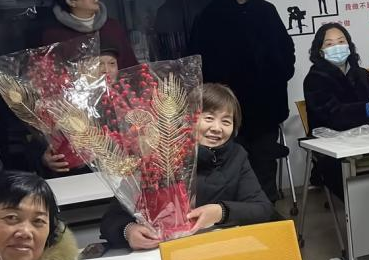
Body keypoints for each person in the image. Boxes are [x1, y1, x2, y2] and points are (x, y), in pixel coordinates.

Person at [100, 84, 276, 250]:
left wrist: (221, 212)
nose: (217, 128)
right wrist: (128, 231)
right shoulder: (157, 157)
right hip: (162, 251)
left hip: (218, 248)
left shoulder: (236, 156)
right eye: (209, 118)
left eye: (226, 121)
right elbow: (111, 218)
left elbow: (263, 209)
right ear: (188, 119)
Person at [189, 0, 296, 202]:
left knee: (265, 164)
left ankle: (268, 213)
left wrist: (282, 73)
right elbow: (197, 60)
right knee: (229, 168)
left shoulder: (267, 11)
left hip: (266, 107)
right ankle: (236, 214)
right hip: (228, 111)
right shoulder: (210, 17)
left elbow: (286, 47)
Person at [303, 23, 369, 195]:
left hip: (368, 141)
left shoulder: (362, 74)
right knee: (357, 183)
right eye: (329, 44)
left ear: (349, 45)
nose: (337, 47)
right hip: (333, 148)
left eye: (341, 41)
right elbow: (332, 116)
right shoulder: (314, 79)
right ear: (320, 51)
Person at [38, 49, 120, 178]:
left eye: (112, 63)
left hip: (125, 175)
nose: (106, 70)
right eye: (99, 64)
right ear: (83, 69)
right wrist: (46, 159)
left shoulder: (129, 100)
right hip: (80, 177)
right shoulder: (66, 103)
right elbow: (47, 145)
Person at [42, 0, 137, 69]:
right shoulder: (55, 35)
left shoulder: (112, 27)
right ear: (71, 1)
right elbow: (54, 72)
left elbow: (130, 65)